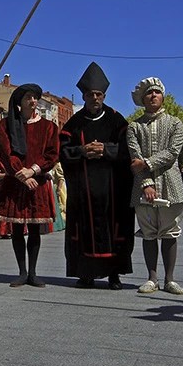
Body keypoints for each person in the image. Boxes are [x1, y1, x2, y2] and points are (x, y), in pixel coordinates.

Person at [59, 63, 134, 290]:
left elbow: (129, 150)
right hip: (85, 192)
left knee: (114, 231)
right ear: (83, 95)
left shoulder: (117, 120)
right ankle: (86, 274)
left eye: (98, 94)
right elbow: (62, 152)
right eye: (90, 94)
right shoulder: (74, 123)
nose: (94, 98)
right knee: (85, 231)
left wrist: (106, 150)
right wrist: (81, 151)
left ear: (104, 95)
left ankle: (114, 275)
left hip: (113, 190)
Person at [0, 83, 59, 287]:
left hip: (36, 183)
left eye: (34, 97)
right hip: (16, 183)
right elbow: (6, 152)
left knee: (35, 230)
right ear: (19, 102)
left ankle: (33, 272)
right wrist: (22, 174)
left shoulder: (49, 127)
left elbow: (52, 154)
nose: (32, 101)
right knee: (18, 230)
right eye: (28, 97)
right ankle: (21, 272)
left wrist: (33, 171)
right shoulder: (6, 125)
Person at [127, 77, 183, 295]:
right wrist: (147, 184)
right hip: (142, 187)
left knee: (170, 232)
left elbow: (172, 153)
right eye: (149, 93)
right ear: (142, 99)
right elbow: (135, 157)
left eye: (157, 92)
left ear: (163, 96)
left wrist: (148, 163)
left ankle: (170, 279)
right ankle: (152, 278)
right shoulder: (134, 127)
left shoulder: (175, 123)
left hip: (171, 184)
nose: (153, 96)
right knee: (149, 232)